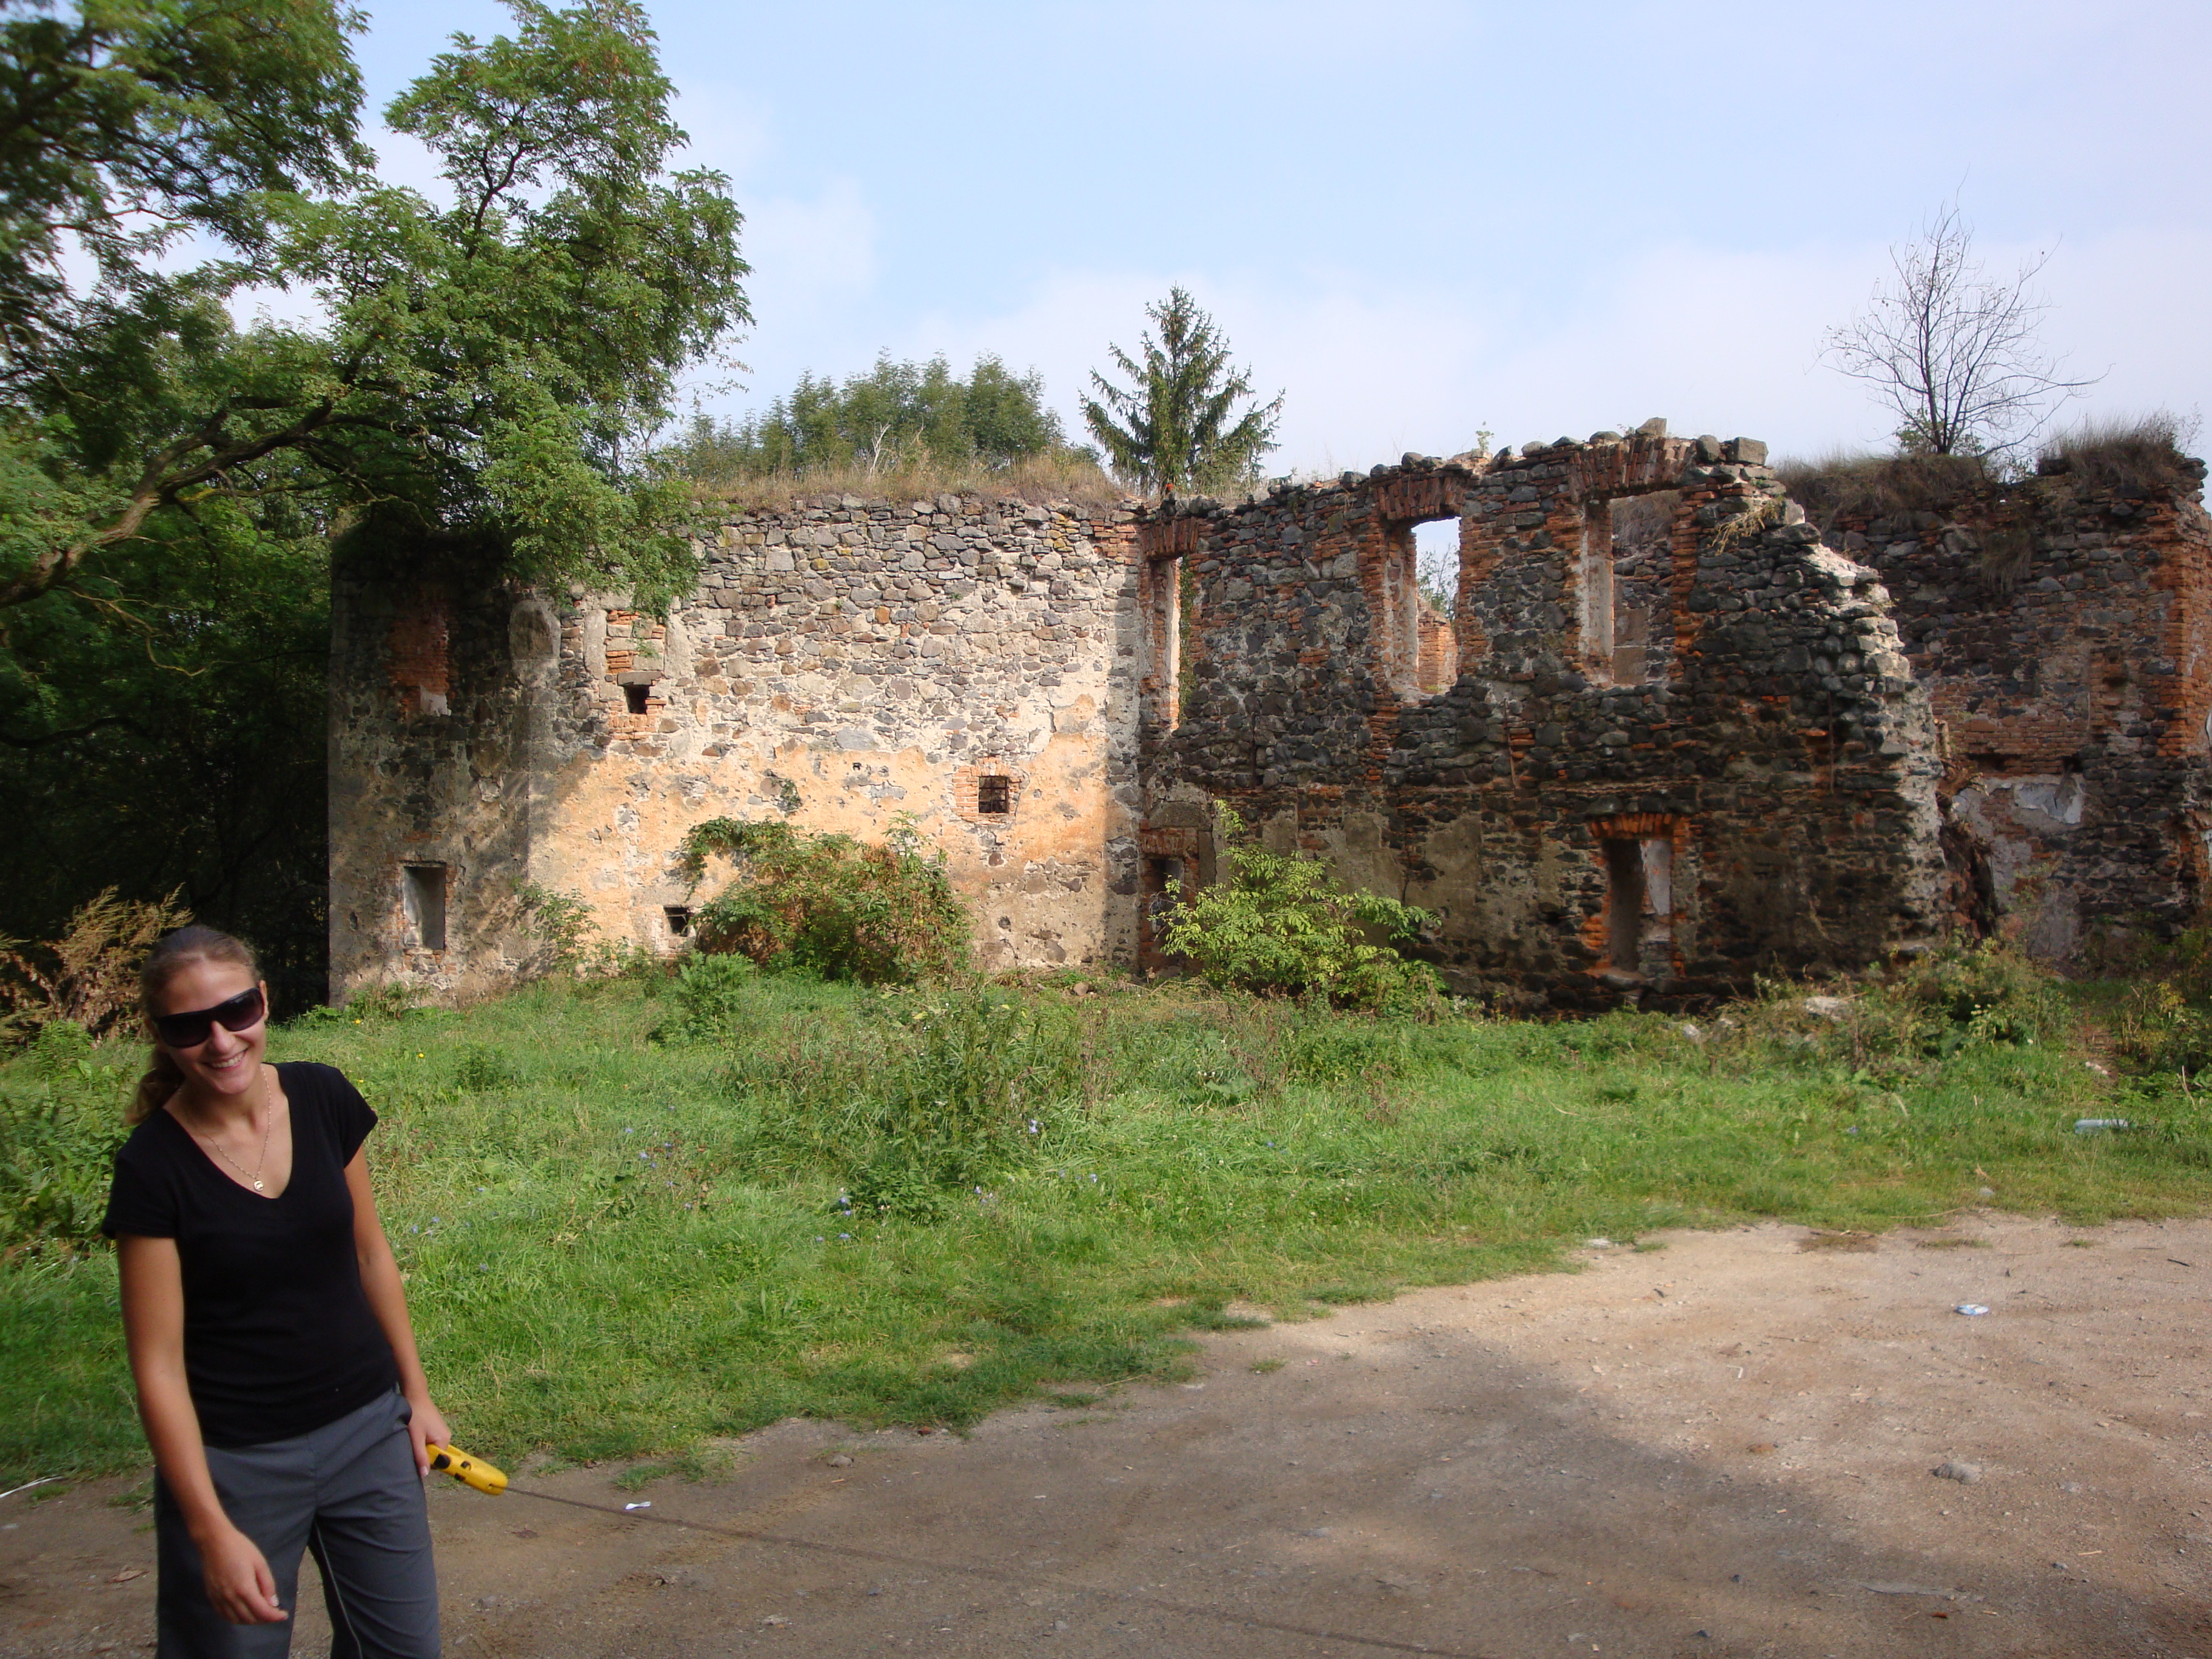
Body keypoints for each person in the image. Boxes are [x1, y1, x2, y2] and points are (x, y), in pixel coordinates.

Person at [102, 926, 446, 1657]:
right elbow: (157, 1366)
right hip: (237, 1463)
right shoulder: (152, 1168)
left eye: (236, 1012)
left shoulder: (321, 1096)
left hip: (368, 1431)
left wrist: (415, 1396)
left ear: (263, 1000)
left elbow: (370, 1255)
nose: (221, 1041)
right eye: (189, 1026)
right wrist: (209, 1529)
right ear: (159, 1035)